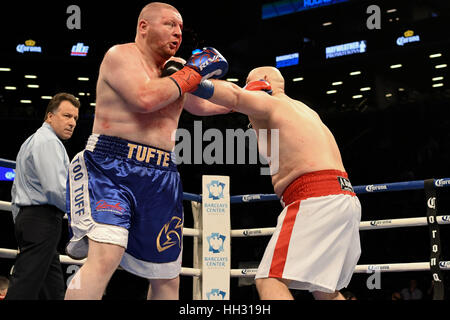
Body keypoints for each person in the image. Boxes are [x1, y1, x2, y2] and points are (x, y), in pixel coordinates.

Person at [64, 2, 230, 300]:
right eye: (169, 24)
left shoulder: (177, 68)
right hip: (110, 167)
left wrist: (253, 98)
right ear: (144, 26)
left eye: (180, 27)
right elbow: (144, 98)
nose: (178, 32)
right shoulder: (121, 56)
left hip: (161, 174)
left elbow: (203, 105)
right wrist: (191, 74)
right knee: (106, 257)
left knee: (167, 277)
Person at [198, 66, 362, 300]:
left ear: (264, 81)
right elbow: (223, 103)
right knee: (325, 290)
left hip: (315, 199)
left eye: (248, 80)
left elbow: (234, 95)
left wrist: (192, 79)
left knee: (269, 281)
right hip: (344, 198)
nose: (246, 85)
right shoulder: (306, 110)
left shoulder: (271, 104)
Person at [6, 93, 80, 300]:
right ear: (49, 116)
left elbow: (16, 190)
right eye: (66, 116)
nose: (72, 122)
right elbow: (55, 189)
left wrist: (22, 221)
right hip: (42, 220)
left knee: (52, 287)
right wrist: (80, 214)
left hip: (31, 220)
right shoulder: (48, 142)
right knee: (25, 284)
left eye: (75, 118)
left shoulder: (33, 141)